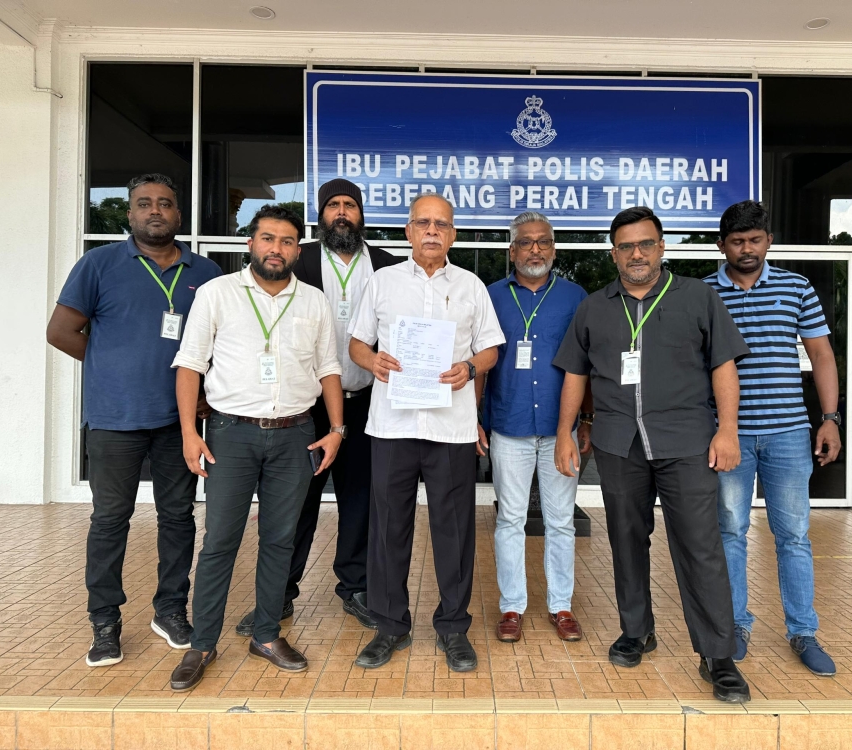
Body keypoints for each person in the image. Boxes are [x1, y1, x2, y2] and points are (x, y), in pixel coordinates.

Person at [553, 206, 753, 703]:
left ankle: (717, 655)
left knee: (700, 545)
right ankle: (636, 630)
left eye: (645, 244)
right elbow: (576, 374)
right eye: (625, 246)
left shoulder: (698, 297)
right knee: (625, 539)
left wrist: (728, 431)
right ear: (614, 253)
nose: (636, 254)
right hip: (619, 443)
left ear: (661, 247)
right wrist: (564, 432)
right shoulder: (595, 307)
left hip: (687, 442)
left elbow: (724, 366)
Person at [47, 173, 222, 666]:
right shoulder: (98, 264)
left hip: (177, 421)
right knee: (109, 520)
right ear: (129, 213)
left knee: (178, 517)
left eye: (165, 204)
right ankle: (105, 623)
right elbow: (60, 331)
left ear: (178, 215)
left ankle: (170, 609)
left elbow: (219, 342)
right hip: (114, 418)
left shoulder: (204, 273)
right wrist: (107, 363)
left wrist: (204, 391)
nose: (155, 211)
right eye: (144, 204)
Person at [168, 205, 344, 691]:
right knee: (220, 539)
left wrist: (336, 429)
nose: (277, 249)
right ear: (251, 243)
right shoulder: (217, 293)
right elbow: (189, 365)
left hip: (295, 434)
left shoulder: (312, 301)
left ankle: (266, 634)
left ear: (297, 249)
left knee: (280, 540)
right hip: (231, 434)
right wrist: (189, 432)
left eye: (287, 242)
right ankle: (202, 642)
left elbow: (329, 367)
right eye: (268, 239)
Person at [235, 179, 401, 638]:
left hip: (369, 404)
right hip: (305, 406)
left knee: (362, 502)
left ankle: (356, 588)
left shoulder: (387, 267)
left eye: (350, 205)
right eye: (333, 206)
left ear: (362, 214)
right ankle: (278, 595)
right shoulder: (297, 259)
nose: (342, 213)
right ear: (321, 214)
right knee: (294, 503)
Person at [348, 194, 504, 672]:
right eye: (424, 223)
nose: (433, 231)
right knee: (388, 528)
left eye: (442, 224)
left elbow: (491, 350)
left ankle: (453, 627)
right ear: (408, 231)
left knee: (453, 532)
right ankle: (389, 626)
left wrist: (469, 366)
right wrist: (370, 359)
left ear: (453, 234)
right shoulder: (382, 282)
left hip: (451, 428)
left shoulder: (472, 285)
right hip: (393, 426)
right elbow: (356, 342)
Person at [704, 200, 840, 676]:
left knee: (794, 536)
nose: (747, 249)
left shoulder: (796, 287)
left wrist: (830, 418)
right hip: (729, 436)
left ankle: (803, 631)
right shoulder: (703, 294)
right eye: (738, 241)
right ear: (722, 245)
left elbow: (821, 355)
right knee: (730, 534)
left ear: (768, 241)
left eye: (755, 240)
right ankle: (735, 626)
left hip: (787, 433)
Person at [476, 211, 589, 643]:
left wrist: (586, 421)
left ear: (554, 249)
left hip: (561, 430)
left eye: (543, 242)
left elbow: (587, 365)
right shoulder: (491, 296)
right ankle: (512, 607)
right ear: (512, 251)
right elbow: (482, 362)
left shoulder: (576, 297)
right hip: (509, 425)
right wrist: (476, 418)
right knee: (510, 520)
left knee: (560, 522)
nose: (535, 249)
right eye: (526, 242)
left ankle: (561, 605)